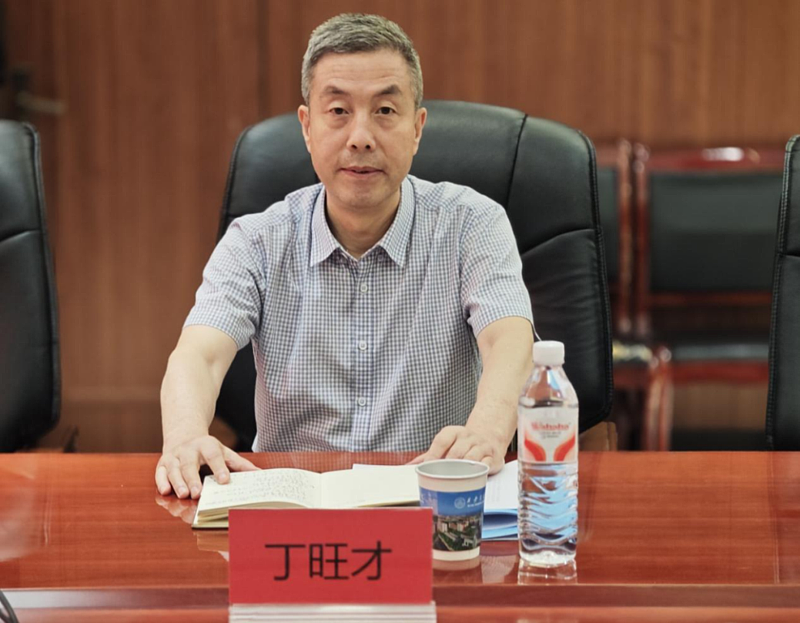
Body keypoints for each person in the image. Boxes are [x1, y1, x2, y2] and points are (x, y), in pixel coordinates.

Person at [155, 13, 533, 499]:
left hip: (432, 498)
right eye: (338, 110)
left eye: (385, 110)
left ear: (417, 128)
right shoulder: (256, 240)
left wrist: (488, 430)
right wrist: (185, 435)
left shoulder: (472, 224)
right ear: (307, 127)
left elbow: (509, 341)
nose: (360, 136)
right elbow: (199, 356)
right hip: (293, 507)